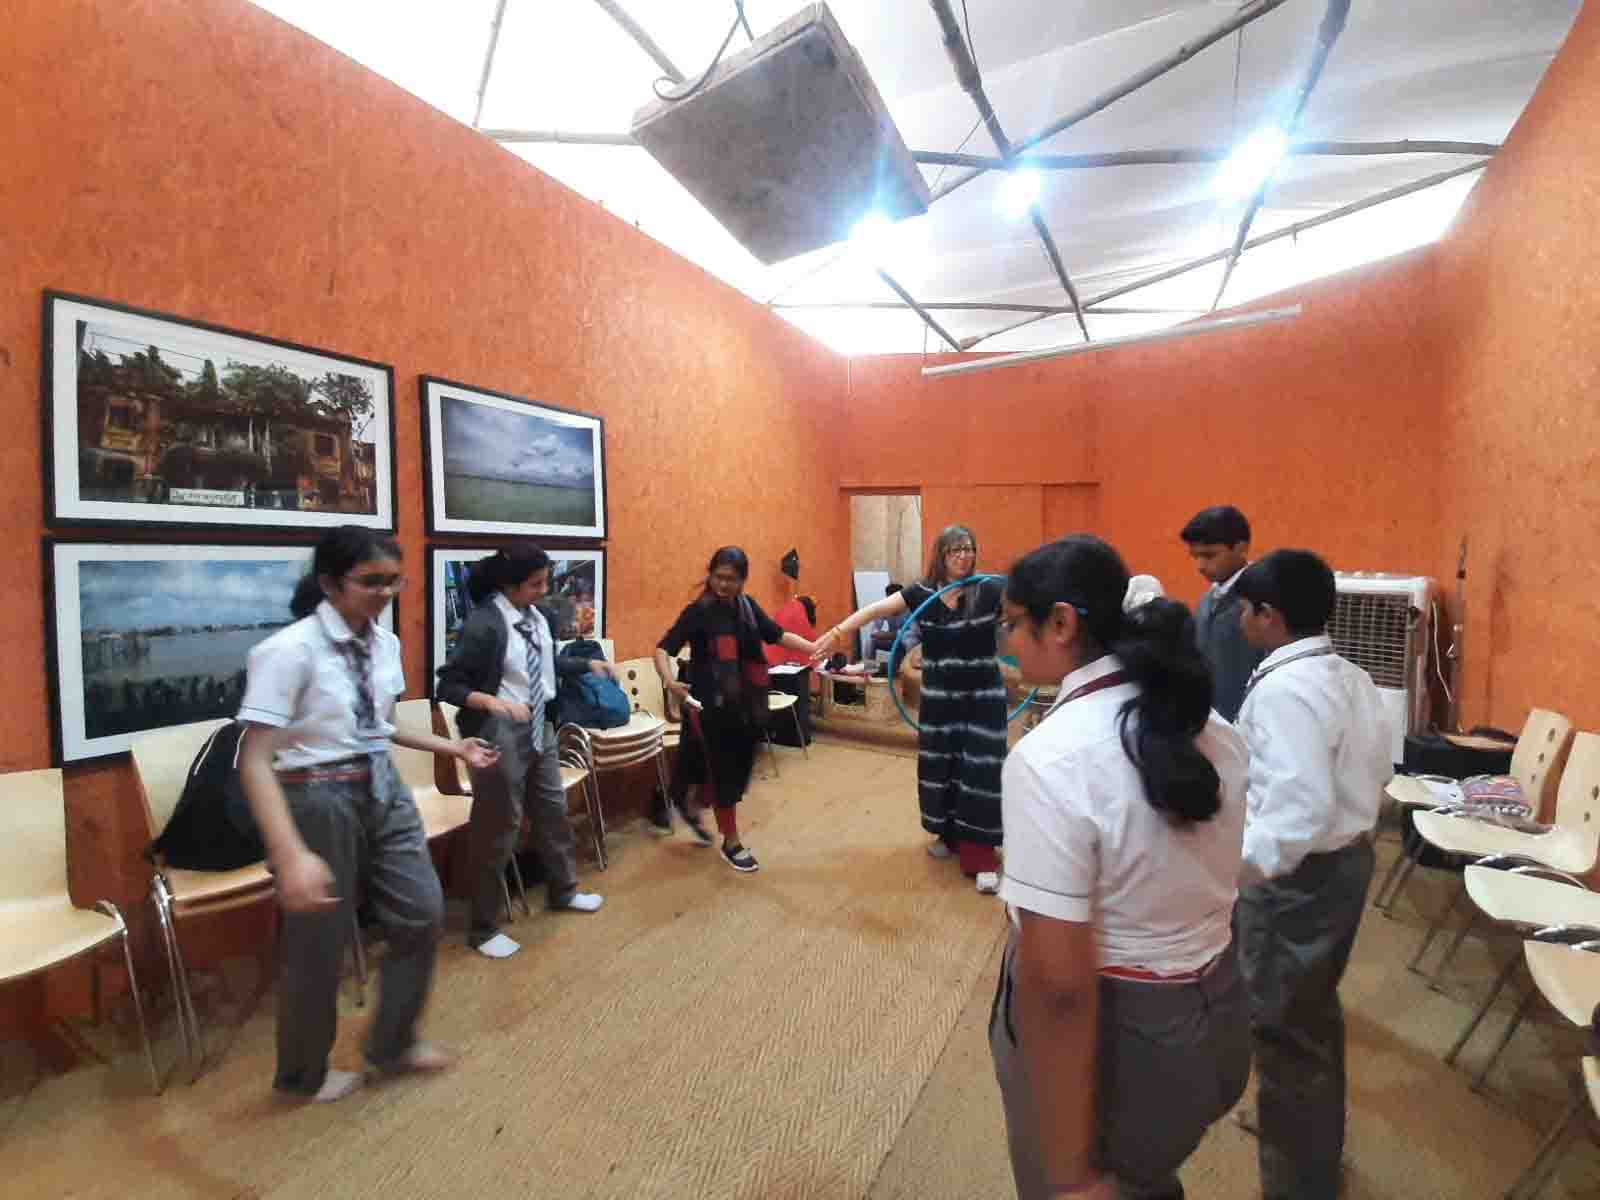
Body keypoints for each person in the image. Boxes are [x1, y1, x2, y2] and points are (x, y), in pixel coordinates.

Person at [992, 535, 1250, 1200]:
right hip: (1216, 1018)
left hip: (1124, 1045)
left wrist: (1069, 1173)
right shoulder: (1215, 729)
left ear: (1061, 623)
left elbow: (1059, 987)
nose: (1007, 642)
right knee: (1147, 1175)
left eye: (1013, 623)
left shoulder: (1051, 759)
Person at [236, 526, 500, 1102]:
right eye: (371, 582)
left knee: (422, 914)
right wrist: (290, 854)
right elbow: (253, 760)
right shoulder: (287, 651)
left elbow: (378, 726)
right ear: (331, 583)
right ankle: (301, 1075)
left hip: (382, 785)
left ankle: (392, 1044)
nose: (384, 593)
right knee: (319, 944)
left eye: (393, 582)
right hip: (316, 794)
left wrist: (453, 747)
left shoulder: (383, 644)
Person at [1232, 549, 1391, 1200]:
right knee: (1310, 1012)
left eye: (1245, 610)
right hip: (1342, 860)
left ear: (1269, 615)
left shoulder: (1286, 691)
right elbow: (1378, 769)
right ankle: (1307, 1141)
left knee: (1284, 1026)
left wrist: (1232, 874)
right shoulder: (1349, 675)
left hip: (1297, 880)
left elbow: (1297, 812)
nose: (1239, 620)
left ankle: (1299, 1180)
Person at [435, 545, 607, 961]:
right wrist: (493, 703)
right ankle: (483, 927)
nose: (544, 590)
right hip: (497, 731)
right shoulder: (484, 624)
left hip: (539, 723)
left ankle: (564, 890)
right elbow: (448, 686)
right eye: (535, 584)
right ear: (508, 585)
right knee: (498, 826)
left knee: (552, 810)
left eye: (545, 581)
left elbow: (547, 666)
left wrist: (587, 666)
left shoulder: (539, 617)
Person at [815, 524, 1007, 893]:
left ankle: (981, 855)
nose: (964, 556)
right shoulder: (922, 592)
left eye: (969, 548)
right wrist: (837, 633)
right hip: (940, 699)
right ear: (941, 555)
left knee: (980, 770)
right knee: (941, 766)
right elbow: (877, 609)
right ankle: (949, 834)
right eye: (956, 549)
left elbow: (1026, 605)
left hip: (982, 697)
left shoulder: (988, 589)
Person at [652, 546, 819, 873]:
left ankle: (679, 800)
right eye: (718, 577)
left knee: (730, 770)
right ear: (710, 574)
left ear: (743, 580)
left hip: (746, 705)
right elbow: (663, 648)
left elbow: (777, 635)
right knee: (724, 773)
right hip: (709, 706)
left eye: (731, 579)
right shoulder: (699, 612)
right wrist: (670, 682)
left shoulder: (747, 607)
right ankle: (731, 842)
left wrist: (813, 647)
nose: (723, 585)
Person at [1180, 505, 1262, 722]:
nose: (1200, 565)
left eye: (1209, 555)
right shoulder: (1206, 601)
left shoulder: (1260, 601)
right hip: (1208, 722)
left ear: (1241, 548)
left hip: (1247, 723)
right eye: (1195, 556)